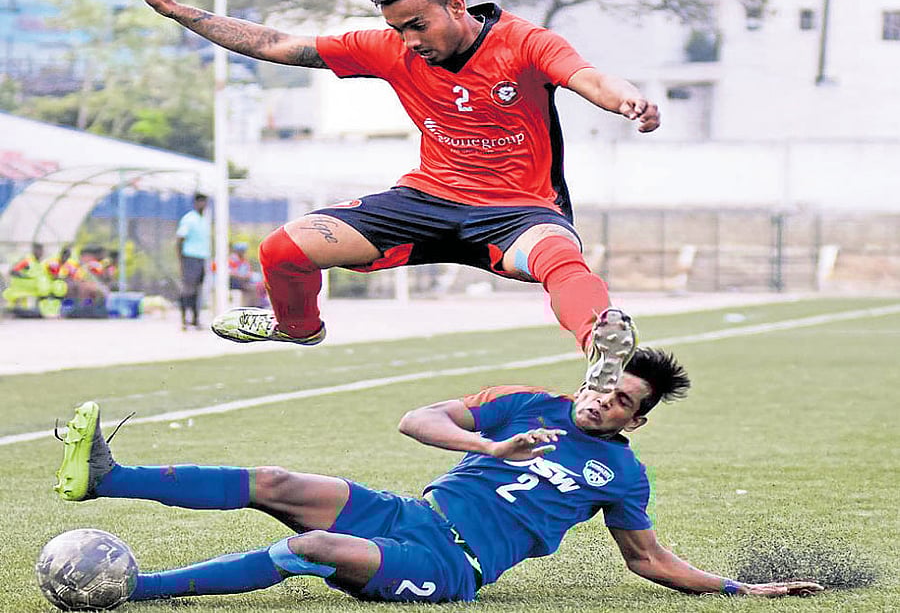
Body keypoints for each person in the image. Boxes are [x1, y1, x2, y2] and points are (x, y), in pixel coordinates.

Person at [134, 0, 655, 390]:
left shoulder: (523, 42)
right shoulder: (388, 49)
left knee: (560, 258)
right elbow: (275, 44)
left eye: (417, 25)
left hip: (517, 210)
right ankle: (298, 327)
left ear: (456, 5)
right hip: (425, 200)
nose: (408, 40)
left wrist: (628, 101)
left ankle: (602, 349)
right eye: (397, 29)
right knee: (282, 250)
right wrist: (177, 11)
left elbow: (587, 76)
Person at [53, 348, 823, 604]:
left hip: (449, 564)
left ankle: (136, 590)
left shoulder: (622, 475)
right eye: (603, 383)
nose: (602, 398)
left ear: (636, 419)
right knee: (278, 478)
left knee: (320, 544)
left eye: (621, 399)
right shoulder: (527, 402)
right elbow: (416, 419)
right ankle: (105, 477)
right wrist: (491, 448)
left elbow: (647, 559)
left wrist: (739, 589)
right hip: (406, 515)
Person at [175, 192, 211, 330]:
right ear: (196, 203)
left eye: (205, 202)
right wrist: (181, 261)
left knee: (198, 289)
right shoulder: (189, 219)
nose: (203, 205)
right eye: (201, 202)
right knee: (187, 289)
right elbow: (179, 239)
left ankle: (196, 319)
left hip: (201, 258)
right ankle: (184, 319)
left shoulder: (204, 219)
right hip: (190, 258)